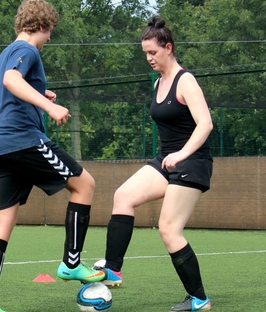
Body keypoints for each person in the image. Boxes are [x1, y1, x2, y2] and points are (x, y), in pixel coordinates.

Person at [0, 1, 104, 311]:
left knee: (3, 220)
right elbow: (11, 82)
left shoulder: (4, 54)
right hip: (22, 140)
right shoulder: (28, 50)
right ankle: (71, 263)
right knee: (85, 185)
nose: (49, 40)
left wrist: (38, 94)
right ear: (42, 27)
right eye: (50, 33)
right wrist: (49, 106)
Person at [95, 16, 213, 311]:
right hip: (167, 160)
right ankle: (113, 269)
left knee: (169, 229)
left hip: (192, 160)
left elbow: (205, 124)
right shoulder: (159, 82)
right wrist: (171, 157)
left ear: (169, 48)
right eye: (145, 53)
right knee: (123, 196)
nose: (148, 58)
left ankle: (199, 299)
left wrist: (182, 154)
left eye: (153, 53)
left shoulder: (185, 80)